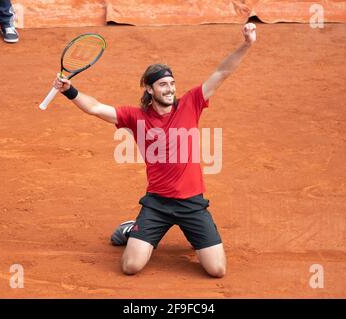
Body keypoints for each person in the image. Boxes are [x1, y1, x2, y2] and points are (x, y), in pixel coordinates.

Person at [52, 23, 257, 277]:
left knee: (217, 270)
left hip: (192, 203)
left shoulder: (191, 103)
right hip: (157, 203)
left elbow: (222, 72)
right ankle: (132, 229)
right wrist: (69, 90)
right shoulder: (135, 116)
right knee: (130, 266)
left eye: (172, 83)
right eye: (163, 84)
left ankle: (197, 232)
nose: (170, 89)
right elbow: (95, 108)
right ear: (149, 89)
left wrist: (246, 45)